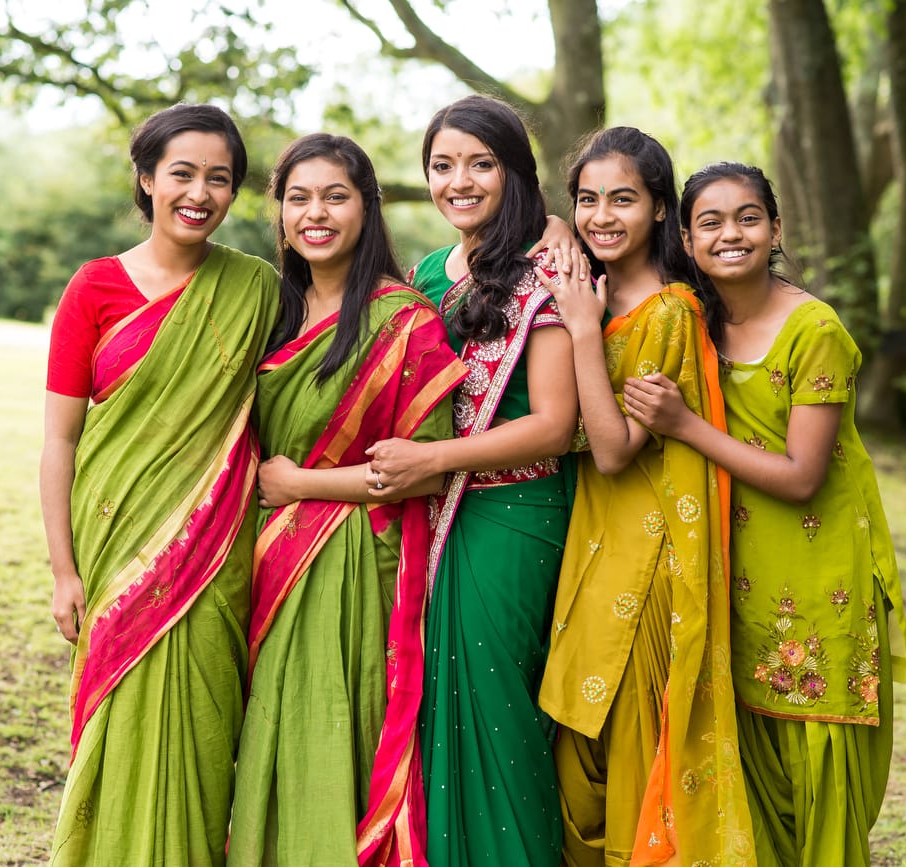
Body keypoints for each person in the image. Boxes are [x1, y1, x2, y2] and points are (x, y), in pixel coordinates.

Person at [623, 162, 906, 867]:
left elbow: (801, 475)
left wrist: (685, 424)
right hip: (734, 572)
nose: (732, 233)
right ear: (686, 240)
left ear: (776, 229)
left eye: (749, 217)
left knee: (821, 771)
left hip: (821, 577)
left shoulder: (815, 328)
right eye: (711, 222)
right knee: (753, 771)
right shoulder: (692, 322)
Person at [40, 103, 280, 866]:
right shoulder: (96, 288)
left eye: (220, 179)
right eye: (182, 173)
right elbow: (60, 439)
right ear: (147, 179)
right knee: (118, 715)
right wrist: (63, 570)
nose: (199, 193)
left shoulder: (257, 289)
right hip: (114, 540)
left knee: (205, 725)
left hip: (216, 551)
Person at [225, 134, 466, 866]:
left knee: (330, 729)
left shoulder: (404, 318)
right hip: (263, 558)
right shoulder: (269, 307)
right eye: (298, 198)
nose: (315, 213)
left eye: (335, 195)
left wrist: (303, 484)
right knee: (268, 730)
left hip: (355, 561)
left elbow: (424, 470)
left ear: (368, 206)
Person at [364, 93, 579, 865]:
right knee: (433, 719)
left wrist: (432, 461)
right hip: (431, 518)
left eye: (481, 164)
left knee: (498, 716)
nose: (460, 180)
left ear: (514, 173)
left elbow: (555, 423)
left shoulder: (546, 268)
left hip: (514, 515)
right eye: (443, 165)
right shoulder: (425, 271)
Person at [534, 127, 754, 866]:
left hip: (647, 559)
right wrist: (563, 233)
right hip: (591, 544)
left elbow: (613, 449)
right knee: (577, 748)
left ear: (662, 208)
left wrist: (583, 332)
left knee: (625, 751)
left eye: (622, 199)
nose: (602, 216)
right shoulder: (586, 283)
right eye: (587, 200)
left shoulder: (669, 311)